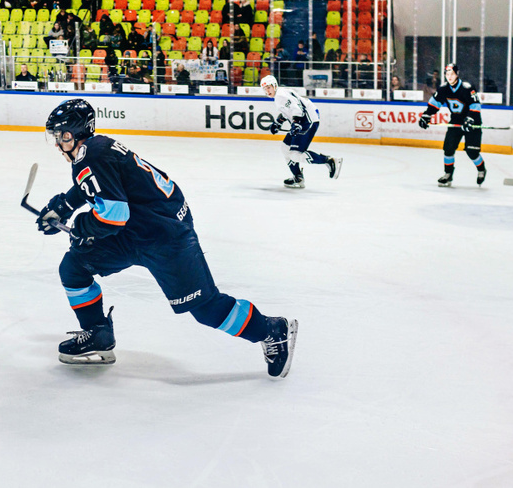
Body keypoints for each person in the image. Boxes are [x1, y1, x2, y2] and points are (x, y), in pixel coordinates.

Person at [34, 99, 297, 377]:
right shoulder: (96, 148)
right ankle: (98, 334)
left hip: (165, 236)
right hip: (138, 231)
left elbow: (112, 215)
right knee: (74, 267)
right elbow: (96, 187)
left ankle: (271, 330)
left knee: (206, 309)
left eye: (59, 136)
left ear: (72, 134)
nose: (56, 143)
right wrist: (63, 206)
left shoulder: (90, 156)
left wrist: (82, 228)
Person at [261, 75, 342, 189]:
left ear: (274, 86)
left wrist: (296, 123)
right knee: (285, 148)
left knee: (295, 154)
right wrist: (278, 122)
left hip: (308, 120)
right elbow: (288, 111)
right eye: (264, 89)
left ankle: (329, 161)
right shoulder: (280, 94)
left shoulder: (280, 95)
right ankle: (298, 177)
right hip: (303, 120)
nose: (267, 91)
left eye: (269, 87)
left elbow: (297, 108)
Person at [418, 63, 486, 187]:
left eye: (452, 74)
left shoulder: (467, 88)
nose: (449, 76)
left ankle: (481, 170)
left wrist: (470, 119)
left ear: (457, 74)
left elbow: (475, 106)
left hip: (473, 123)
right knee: (448, 149)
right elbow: (434, 103)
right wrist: (426, 116)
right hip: (455, 122)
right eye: (447, 74)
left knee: (472, 152)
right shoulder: (443, 89)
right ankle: (448, 174)